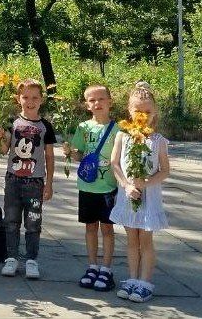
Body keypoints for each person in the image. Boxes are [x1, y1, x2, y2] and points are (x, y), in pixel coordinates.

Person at [110, 82, 170, 303]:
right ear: (129, 111)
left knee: (145, 239)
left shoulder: (158, 141)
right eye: (138, 111)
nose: (142, 116)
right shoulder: (122, 136)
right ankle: (133, 278)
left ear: (154, 113)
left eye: (147, 112)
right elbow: (115, 164)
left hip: (148, 197)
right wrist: (126, 185)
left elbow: (165, 171)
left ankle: (145, 282)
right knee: (131, 240)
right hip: (128, 195)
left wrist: (145, 183)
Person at [0, 79, 55, 280]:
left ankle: (31, 260)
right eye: (25, 97)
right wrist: (1, 138)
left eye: (35, 98)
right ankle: (11, 257)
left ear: (41, 100)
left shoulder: (46, 126)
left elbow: (49, 156)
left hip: (35, 182)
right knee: (11, 221)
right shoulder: (12, 122)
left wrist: (49, 184)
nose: (30, 102)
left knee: (33, 222)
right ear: (18, 99)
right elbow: (5, 150)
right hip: (13, 180)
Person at [64, 85, 119, 292]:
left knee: (107, 227)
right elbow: (79, 155)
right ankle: (92, 266)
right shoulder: (83, 127)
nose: (97, 103)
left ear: (109, 101)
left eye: (101, 99)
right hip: (88, 185)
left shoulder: (117, 129)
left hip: (108, 186)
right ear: (87, 105)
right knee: (89, 227)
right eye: (92, 100)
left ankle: (106, 268)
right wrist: (70, 152)